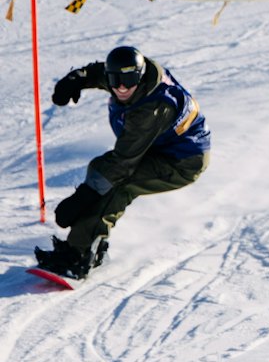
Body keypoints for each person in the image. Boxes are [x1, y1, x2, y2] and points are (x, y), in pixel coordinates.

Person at [34, 45, 211, 281]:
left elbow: (123, 163)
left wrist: (84, 195)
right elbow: (103, 72)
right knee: (101, 170)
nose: (121, 87)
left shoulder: (152, 108)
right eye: (115, 80)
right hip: (161, 149)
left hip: (182, 162)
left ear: (139, 75)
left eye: (128, 80)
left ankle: (78, 256)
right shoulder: (135, 79)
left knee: (119, 185)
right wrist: (76, 79)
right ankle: (90, 244)